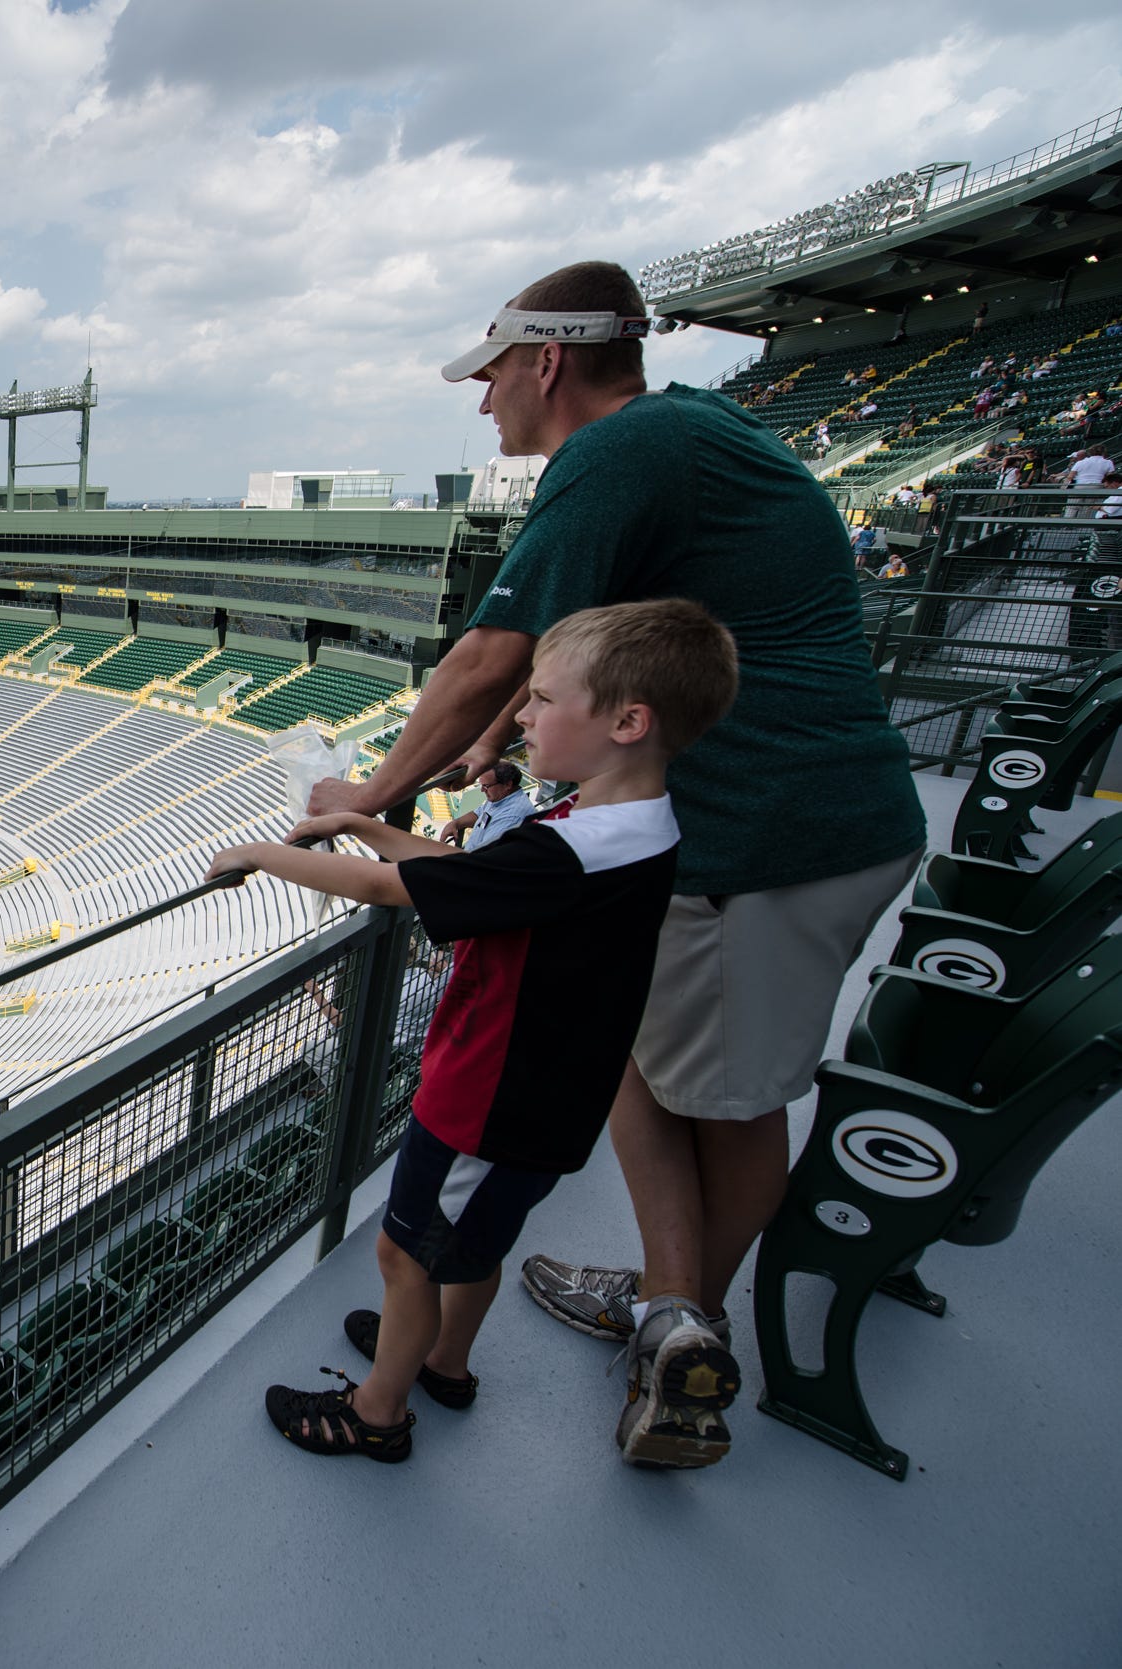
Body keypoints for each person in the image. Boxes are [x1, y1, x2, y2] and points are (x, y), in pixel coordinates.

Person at [307, 259, 927, 1468]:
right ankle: (667, 1294)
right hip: (791, 824)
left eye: (489, 375)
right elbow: (554, 661)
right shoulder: (685, 433)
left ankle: (675, 1327)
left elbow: (492, 649)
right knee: (644, 1063)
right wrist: (493, 747)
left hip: (773, 837)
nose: (481, 403)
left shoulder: (614, 453)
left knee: (731, 1099)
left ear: (545, 361)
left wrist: (370, 795)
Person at [212, 599, 739, 1465]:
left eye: (541, 700)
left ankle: (379, 1411)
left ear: (625, 721)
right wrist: (366, 825)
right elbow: (487, 876)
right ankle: (443, 1361)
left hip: (489, 1100)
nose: (522, 719)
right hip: (550, 1098)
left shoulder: (571, 848)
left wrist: (263, 854)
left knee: (401, 1251)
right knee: (472, 1243)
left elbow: (396, 894)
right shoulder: (630, 824)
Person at [439, 760, 532, 849]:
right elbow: (479, 814)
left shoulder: (511, 818)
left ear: (507, 785)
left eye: (486, 786)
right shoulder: (500, 797)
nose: (482, 790)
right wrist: (455, 823)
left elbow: (484, 854)